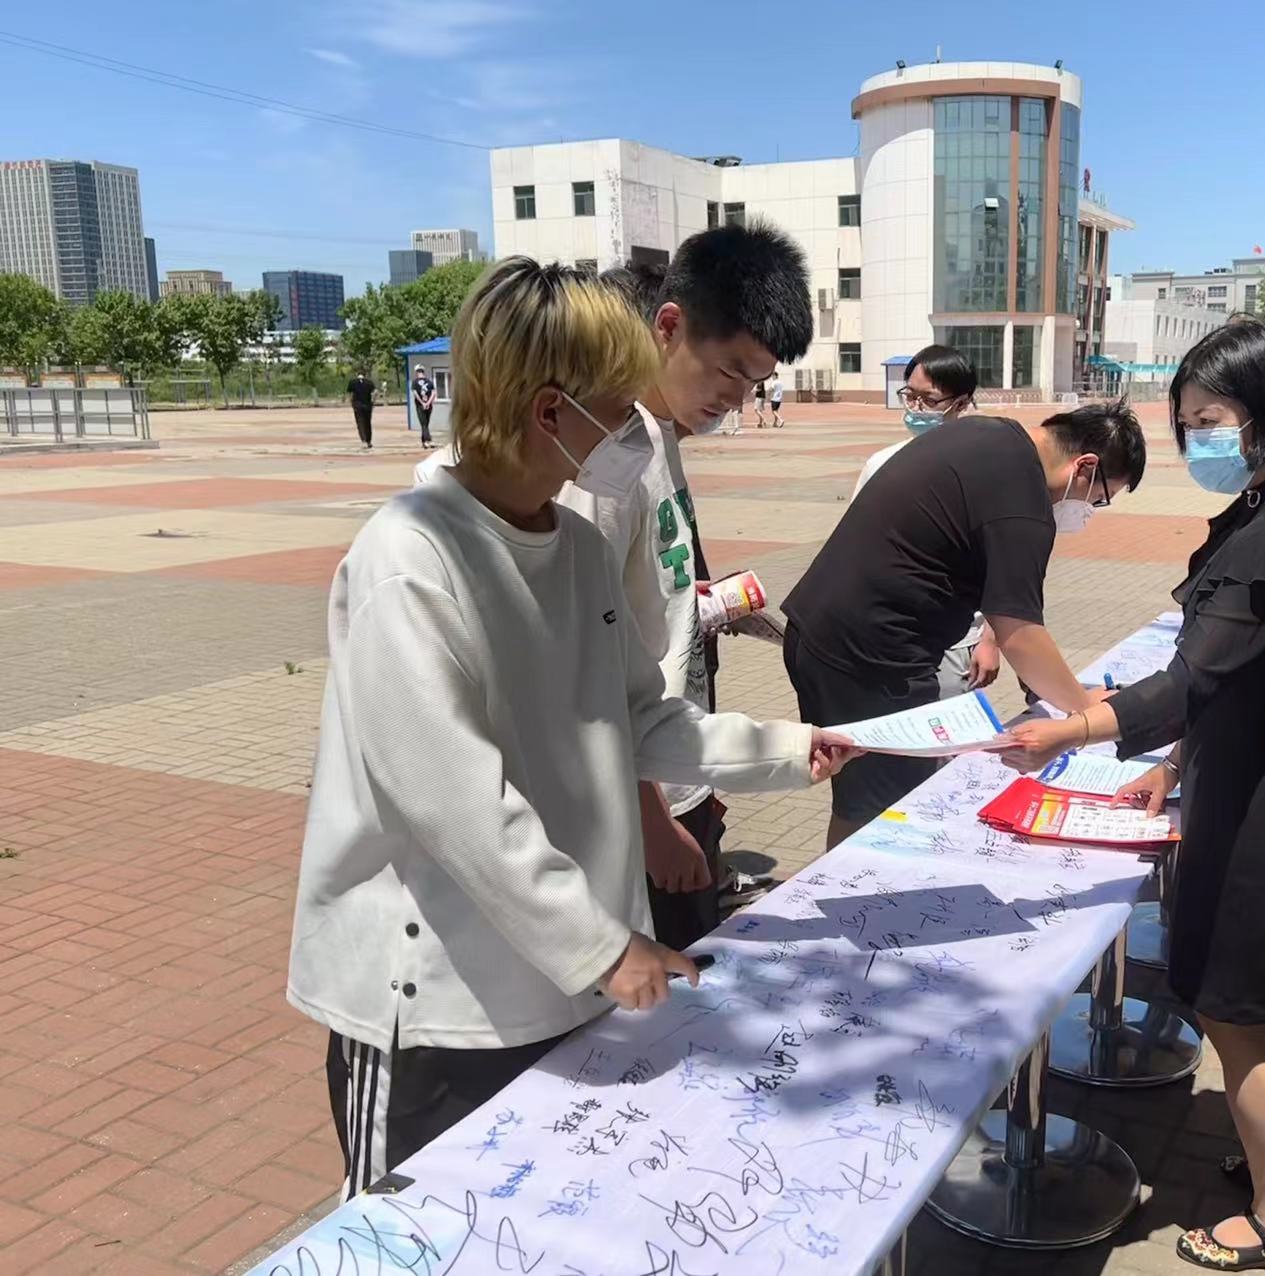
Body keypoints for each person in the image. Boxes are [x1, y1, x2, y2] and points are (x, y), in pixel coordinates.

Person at [288, 258, 852, 1199]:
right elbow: (456, 802)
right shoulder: (411, 558)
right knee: (421, 1239)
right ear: (551, 411)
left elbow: (636, 716)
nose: (638, 433)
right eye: (620, 410)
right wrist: (606, 948)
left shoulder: (580, 545)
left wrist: (789, 751)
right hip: (438, 1007)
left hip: (559, 981)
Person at [1001, 320, 1265, 1271]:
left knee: (1238, 1020)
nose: (1194, 439)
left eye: (1210, 419)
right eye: (1187, 421)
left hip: (1259, 817)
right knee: (1256, 1014)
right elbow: (1244, 677)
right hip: (1264, 786)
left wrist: (1070, 728)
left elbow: (1191, 682)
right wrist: (1170, 767)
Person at [564, 223, 813, 950]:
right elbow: (586, 665)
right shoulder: (601, 461)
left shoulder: (658, 437)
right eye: (729, 372)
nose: (737, 399)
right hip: (634, 801)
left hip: (678, 768)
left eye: (756, 383)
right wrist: (652, 820)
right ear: (668, 327)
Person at [784, 399, 1147, 849]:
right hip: (870, 656)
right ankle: (854, 891)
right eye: (1099, 498)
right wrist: (1084, 710)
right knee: (884, 811)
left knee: (860, 795)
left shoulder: (986, 434)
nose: (1090, 510)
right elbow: (1019, 631)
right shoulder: (1025, 500)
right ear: (1085, 467)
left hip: (817, 632)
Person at [851, 343, 1000, 698]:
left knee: (948, 729)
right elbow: (854, 552)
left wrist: (991, 639)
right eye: (909, 396)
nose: (915, 407)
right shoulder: (881, 465)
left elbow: (1004, 567)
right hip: (889, 636)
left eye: (929, 399)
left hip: (956, 640)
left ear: (961, 404)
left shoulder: (985, 471)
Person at [346, 370, 376, 448]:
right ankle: (369, 441)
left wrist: (351, 402)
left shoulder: (352, 382)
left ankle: (363, 439)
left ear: (357, 374)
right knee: (368, 423)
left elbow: (350, 393)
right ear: (365, 375)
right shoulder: (369, 382)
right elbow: (375, 393)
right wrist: (373, 402)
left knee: (360, 423)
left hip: (357, 405)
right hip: (367, 405)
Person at [410, 366, 436, 449]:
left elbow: (415, 394)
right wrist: (428, 403)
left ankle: (428, 441)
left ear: (417, 372)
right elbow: (433, 393)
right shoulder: (429, 382)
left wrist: (422, 403)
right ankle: (424, 441)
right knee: (425, 423)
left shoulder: (415, 382)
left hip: (420, 406)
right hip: (429, 406)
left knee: (424, 424)